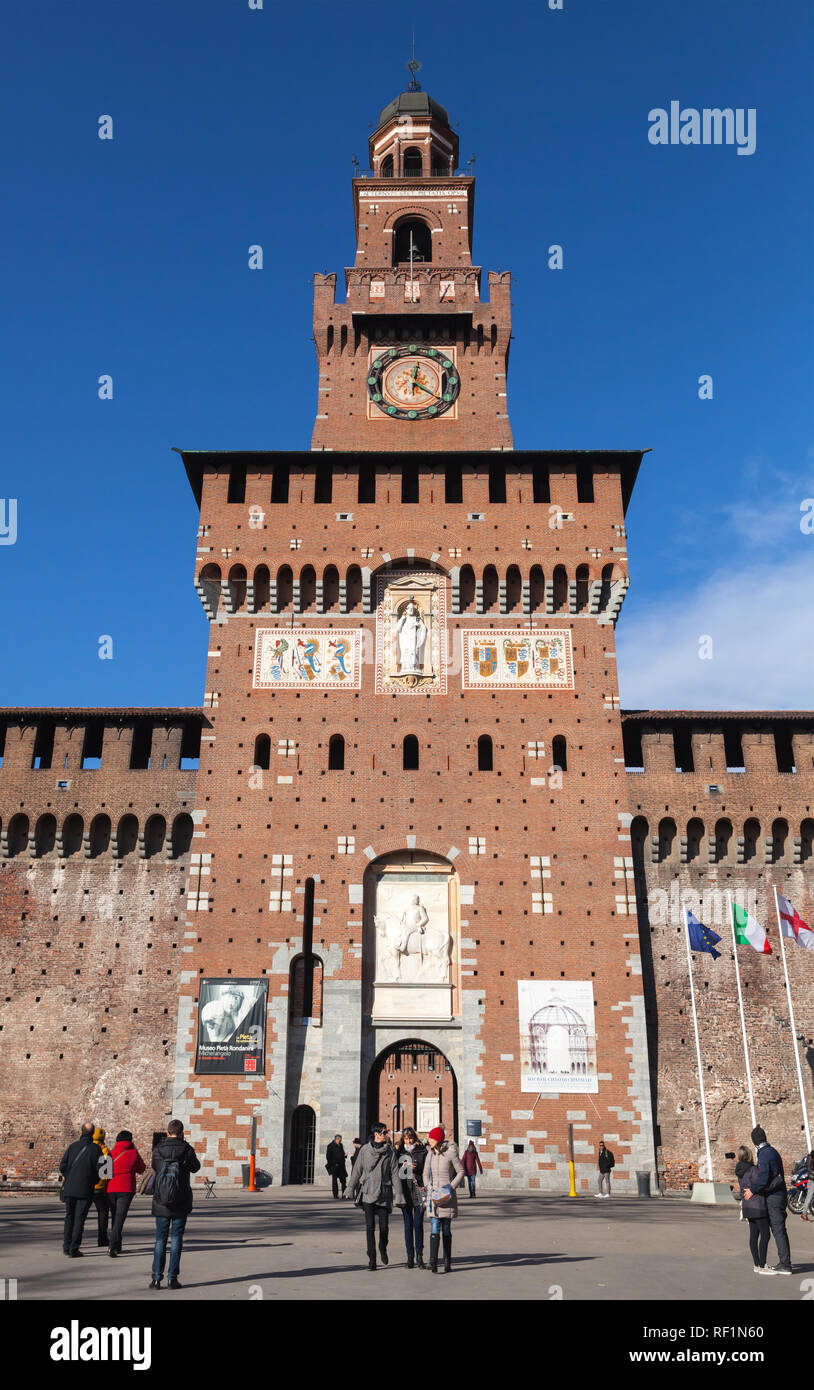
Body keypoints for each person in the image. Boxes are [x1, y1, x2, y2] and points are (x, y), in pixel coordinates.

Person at [150, 1118, 201, 1290]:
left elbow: (155, 1167)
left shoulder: (158, 1149)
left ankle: (156, 1279)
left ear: (167, 1132)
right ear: (182, 1133)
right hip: (181, 1199)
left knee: (160, 1240)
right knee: (177, 1238)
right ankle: (173, 1278)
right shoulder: (186, 1149)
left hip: (161, 1199)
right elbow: (196, 1168)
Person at [346, 1122, 402, 1271]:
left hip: (384, 1193)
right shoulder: (364, 1150)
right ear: (376, 1134)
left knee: (384, 1228)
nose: (386, 1135)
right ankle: (372, 1258)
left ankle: (382, 1247)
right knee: (370, 1227)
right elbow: (357, 1170)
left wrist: (399, 1195)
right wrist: (350, 1188)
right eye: (384, 1132)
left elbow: (395, 1173)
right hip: (368, 1192)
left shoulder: (389, 1151)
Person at [743, 1125, 792, 1275]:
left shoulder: (764, 1154)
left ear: (755, 1143)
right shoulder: (772, 1151)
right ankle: (784, 1262)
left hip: (774, 1197)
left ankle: (785, 1264)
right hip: (779, 1194)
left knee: (778, 1229)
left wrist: (752, 1190)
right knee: (779, 1229)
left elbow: (764, 1177)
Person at [58, 1122, 103, 1258]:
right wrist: (93, 1180)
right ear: (93, 1133)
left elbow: (62, 1166)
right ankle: (74, 1248)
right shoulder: (96, 1149)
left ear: (81, 1132)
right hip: (85, 1189)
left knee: (69, 1218)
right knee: (79, 1219)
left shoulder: (72, 1147)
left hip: (70, 1188)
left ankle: (66, 1246)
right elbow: (102, 1171)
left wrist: (69, 1176)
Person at [425, 1125, 465, 1273]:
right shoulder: (429, 1155)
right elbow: (425, 1174)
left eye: (431, 1138)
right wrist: (428, 1186)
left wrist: (451, 1186)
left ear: (438, 1139)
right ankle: (434, 1262)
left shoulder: (450, 1154)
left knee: (446, 1229)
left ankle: (447, 1260)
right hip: (433, 1196)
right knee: (434, 1228)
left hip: (447, 1196)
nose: (429, 1140)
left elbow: (461, 1171)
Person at [107, 1130, 146, 1256]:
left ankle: (118, 1245)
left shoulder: (110, 1153)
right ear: (130, 1140)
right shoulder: (133, 1153)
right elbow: (142, 1169)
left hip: (111, 1188)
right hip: (126, 1189)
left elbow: (105, 1173)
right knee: (120, 1219)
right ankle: (112, 1247)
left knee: (115, 1217)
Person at [735, 1144, 770, 1273]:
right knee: (765, 1234)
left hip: (747, 1205)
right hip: (758, 1204)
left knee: (754, 1235)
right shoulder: (753, 1170)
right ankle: (762, 1264)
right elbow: (761, 1184)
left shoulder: (739, 1170)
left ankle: (756, 1264)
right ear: (749, 1156)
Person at [396, 1127, 427, 1268]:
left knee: (418, 1224)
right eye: (406, 1139)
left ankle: (420, 1255)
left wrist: (417, 1168)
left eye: (411, 1138)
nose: (408, 1141)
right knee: (408, 1226)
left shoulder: (422, 1151)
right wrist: (403, 1167)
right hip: (405, 1191)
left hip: (419, 1190)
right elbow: (396, 1173)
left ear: (415, 1138)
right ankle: (410, 1256)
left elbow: (427, 1170)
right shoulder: (399, 1152)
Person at [91, 1126, 111, 1246]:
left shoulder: (88, 1148)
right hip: (100, 1188)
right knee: (103, 1212)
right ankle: (102, 1239)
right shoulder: (105, 1151)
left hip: (87, 1187)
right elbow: (107, 1173)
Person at [326, 1134, 348, 1199]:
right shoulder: (330, 1146)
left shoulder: (340, 1145)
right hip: (334, 1166)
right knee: (334, 1181)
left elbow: (342, 1154)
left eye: (341, 1140)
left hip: (341, 1166)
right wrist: (333, 1164)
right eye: (340, 1140)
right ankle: (335, 1195)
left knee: (343, 1181)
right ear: (336, 1139)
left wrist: (345, 1155)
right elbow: (328, 1157)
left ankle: (344, 1194)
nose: (340, 1141)